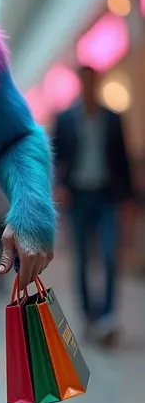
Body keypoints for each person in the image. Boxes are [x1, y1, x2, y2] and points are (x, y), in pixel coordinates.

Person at [52, 66, 134, 346]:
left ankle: (107, 316)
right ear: (80, 83)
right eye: (84, 81)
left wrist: (129, 200)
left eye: (93, 81)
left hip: (107, 196)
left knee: (110, 256)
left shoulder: (112, 119)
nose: (89, 86)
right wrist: (58, 187)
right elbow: (55, 158)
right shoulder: (64, 120)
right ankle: (89, 315)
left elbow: (123, 160)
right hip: (78, 197)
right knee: (84, 259)